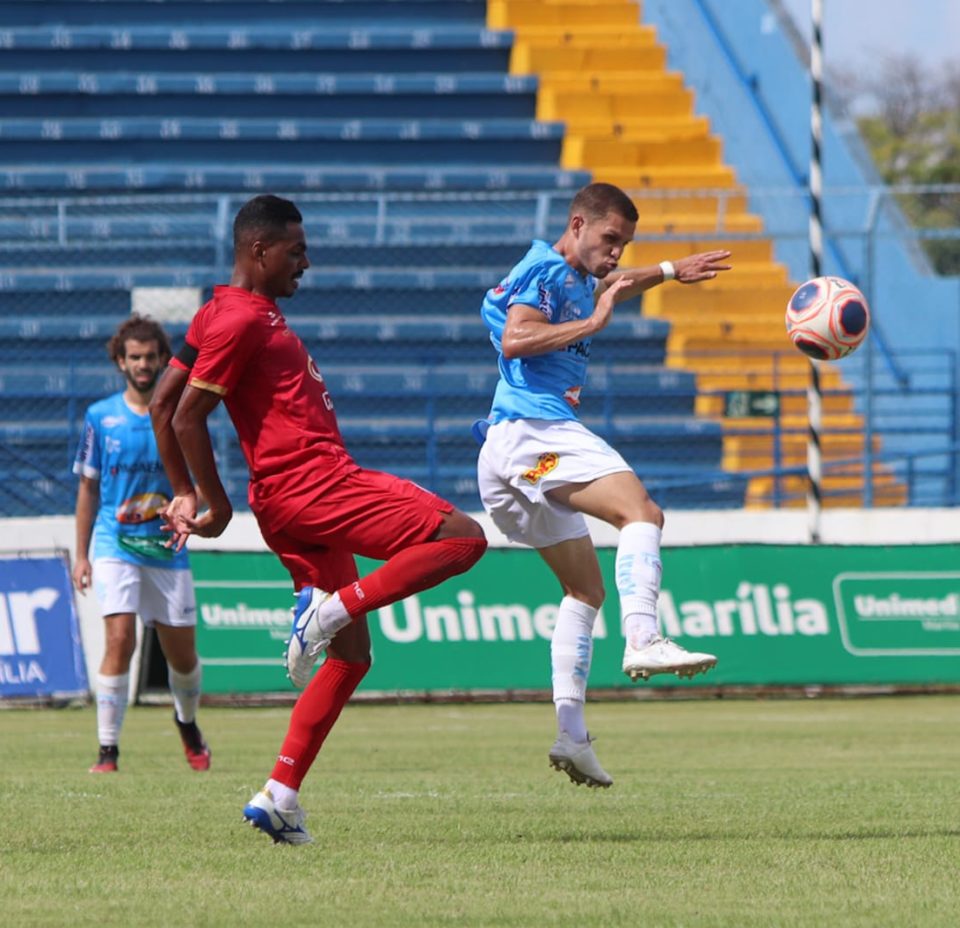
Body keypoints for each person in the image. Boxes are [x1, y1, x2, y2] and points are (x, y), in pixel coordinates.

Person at [150, 194, 487, 845]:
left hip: (290, 501)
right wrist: (210, 505)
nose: (306, 262)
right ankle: (325, 611)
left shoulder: (223, 311)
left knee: (352, 657)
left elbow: (162, 404)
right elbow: (186, 416)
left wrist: (183, 493)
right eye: (295, 251)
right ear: (259, 251)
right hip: (313, 482)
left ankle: (279, 795)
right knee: (463, 538)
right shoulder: (242, 320)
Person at [475, 182, 732, 789]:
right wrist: (593, 322)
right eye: (610, 240)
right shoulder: (543, 270)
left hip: (511, 459)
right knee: (641, 512)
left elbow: (616, 283)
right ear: (578, 224)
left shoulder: (577, 273)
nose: (617, 253)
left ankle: (572, 736)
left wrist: (669, 270)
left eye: (626, 245)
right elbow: (517, 337)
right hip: (534, 432)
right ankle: (643, 635)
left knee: (585, 591)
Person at [72, 314, 210, 774]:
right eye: (135, 357)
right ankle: (107, 751)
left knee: (182, 658)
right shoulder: (101, 417)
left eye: (151, 357)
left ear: (165, 359)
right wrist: (82, 554)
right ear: (120, 361)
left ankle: (186, 722)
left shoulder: (180, 414)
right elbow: (88, 489)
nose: (144, 365)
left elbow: (200, 480)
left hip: (167, 548)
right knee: (119, 639)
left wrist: (195, 508)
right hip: (116, 544)